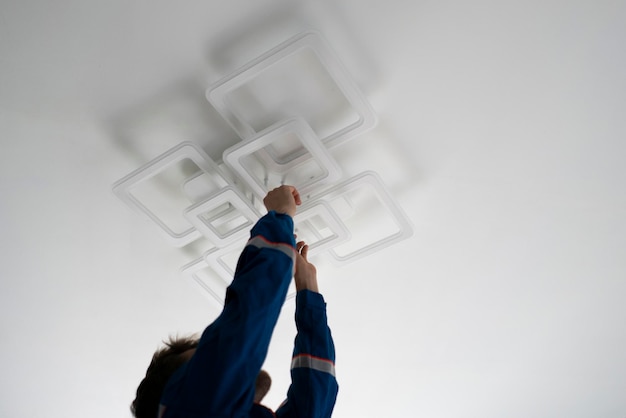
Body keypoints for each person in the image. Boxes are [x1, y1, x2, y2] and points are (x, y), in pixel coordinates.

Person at [131, 185, 338, 418]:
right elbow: (245, 322)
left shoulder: (195, 410)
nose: (216, 354)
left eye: (205, 355)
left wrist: (307, 291)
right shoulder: (193, 406)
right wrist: (278, 219)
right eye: (204, 358)